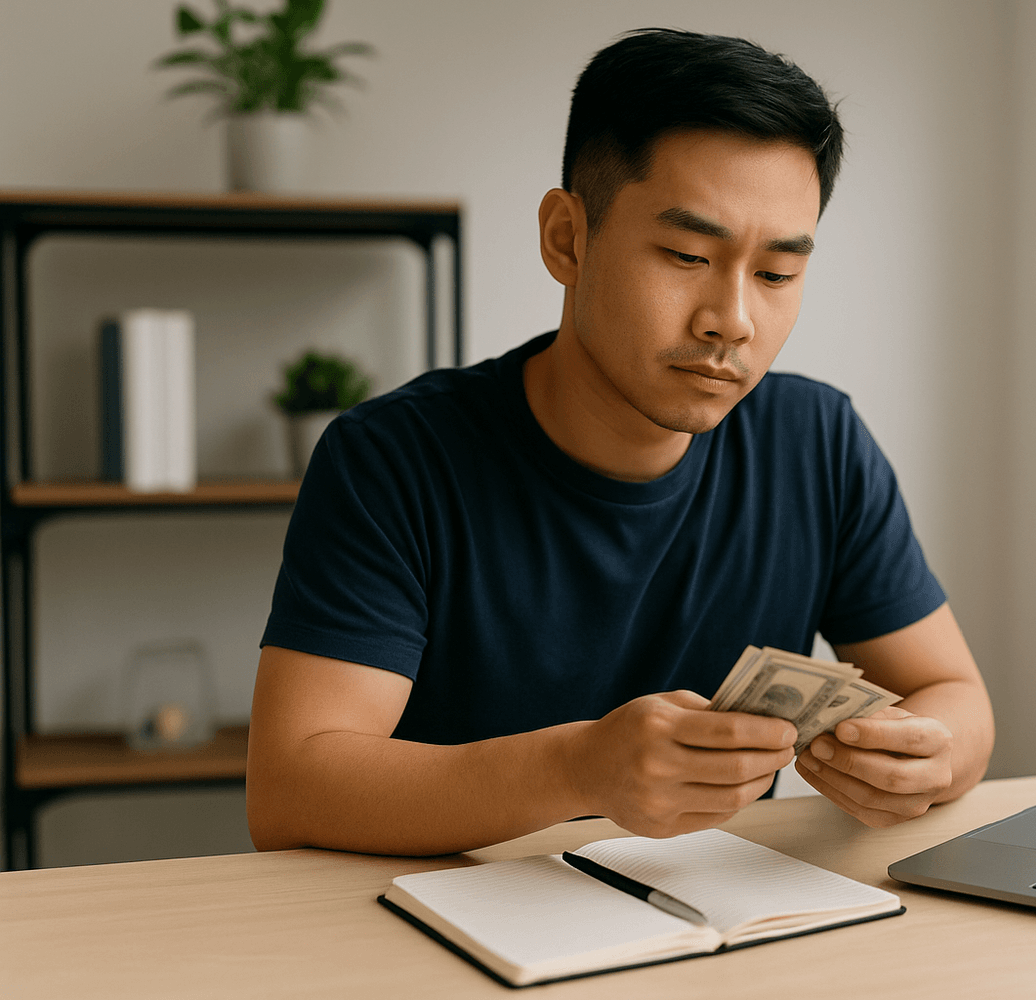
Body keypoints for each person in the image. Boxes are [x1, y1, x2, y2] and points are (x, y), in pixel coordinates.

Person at [246, 28, 994, 856]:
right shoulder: (393, 459)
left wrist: (928, 757)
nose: (733, 321)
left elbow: (952, 694)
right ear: (568, 238)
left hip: (722, 930)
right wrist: (577, 769)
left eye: (777, 274)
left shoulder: (815, 440)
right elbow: (292, 788)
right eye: (685, 254)